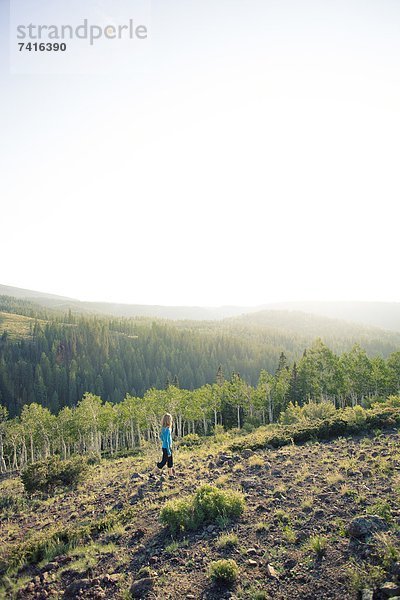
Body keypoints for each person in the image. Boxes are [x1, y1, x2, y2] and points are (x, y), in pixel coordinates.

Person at [157, 413, 175, 477]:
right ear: (168, 420)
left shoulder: (163, 428)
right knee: (163, 462)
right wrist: (169, 451)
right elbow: (167, 441)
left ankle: (171, 475)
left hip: (165, 447)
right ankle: (152, 473)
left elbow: (161, 437)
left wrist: (164, 442)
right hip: (167, 448)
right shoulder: (167, 429)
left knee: (170, 461)